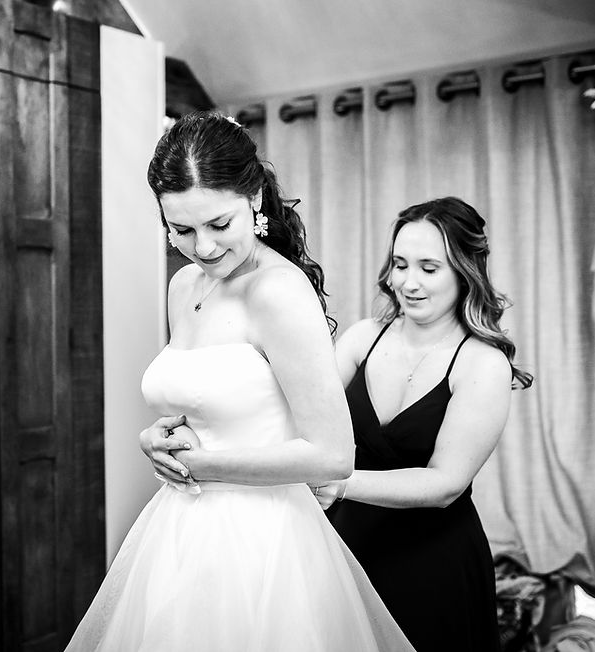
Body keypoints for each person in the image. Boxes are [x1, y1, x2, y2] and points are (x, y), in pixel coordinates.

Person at [66, 111, 414, 652]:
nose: (202, 247)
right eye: (181, 229)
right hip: (179, 531)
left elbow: (333, 455)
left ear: (253, 200)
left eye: (218, 224)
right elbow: (208, 401)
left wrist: (199, 464)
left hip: (262, 542)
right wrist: (156, 439)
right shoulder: (184, 286)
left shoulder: (277, 291)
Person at [311, 197, 534, 652]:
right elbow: (302, 420)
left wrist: (338, 482)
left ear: (464, 270)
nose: (408, 283)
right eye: (399, 264)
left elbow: (444, 483)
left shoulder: (481, 363)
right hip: (346, 548)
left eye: (429, 268)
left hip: (433, 564)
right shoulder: (361, 339)